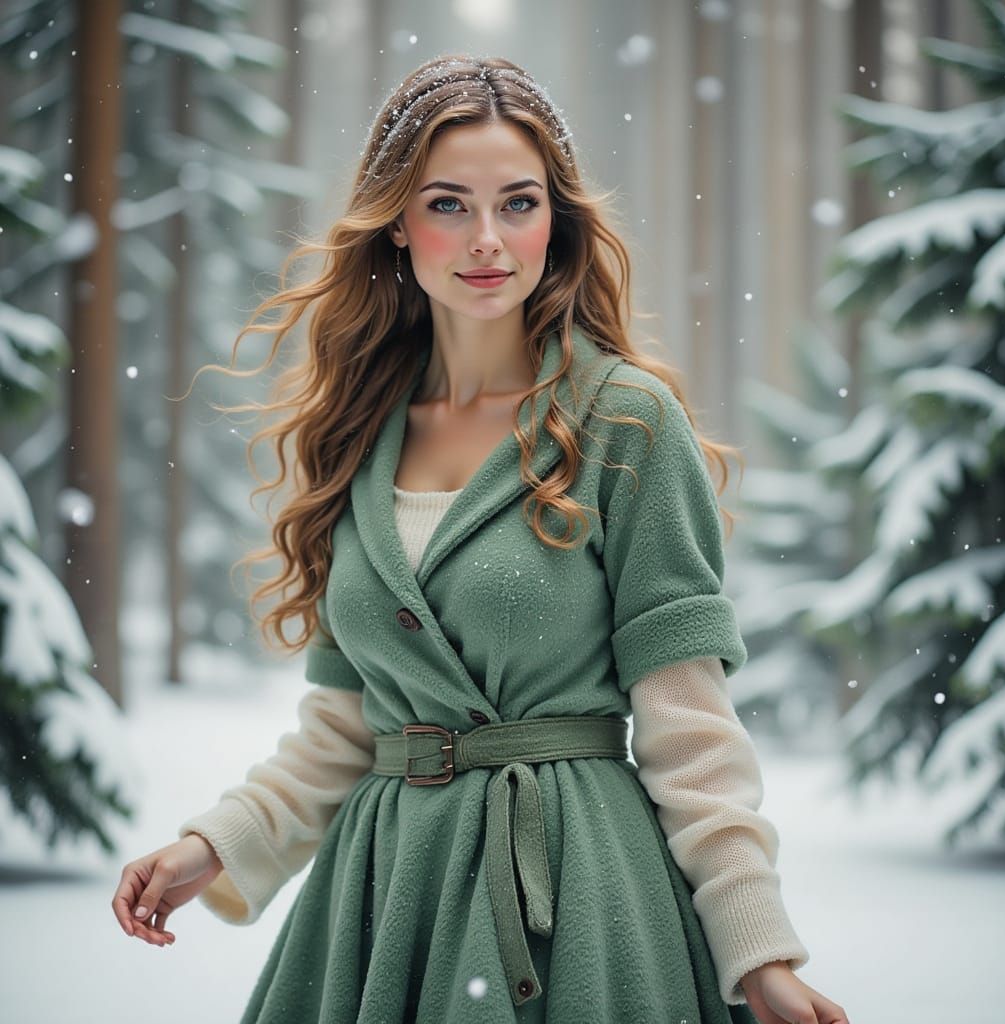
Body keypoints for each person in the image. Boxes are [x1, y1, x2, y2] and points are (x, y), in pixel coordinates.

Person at [111, 54, 849, 1024]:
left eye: (519, 203)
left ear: (558, 221)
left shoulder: (626, 424)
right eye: (449, 204)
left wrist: (758, 953)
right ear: (397, 225)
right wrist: (213, 843)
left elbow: (689, 727)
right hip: (387, 906)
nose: (488, 240)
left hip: (582, 896)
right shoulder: (357, 435)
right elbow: (345, 726)